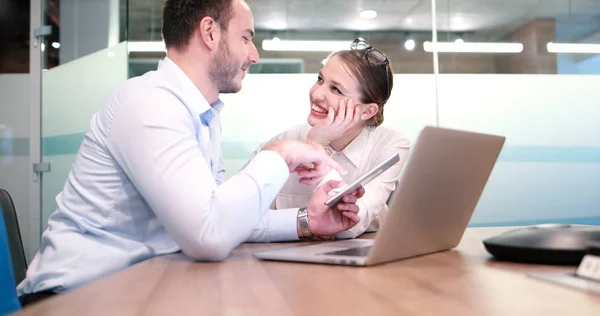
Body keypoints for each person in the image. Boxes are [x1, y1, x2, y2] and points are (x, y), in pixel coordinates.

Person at [17, 0, 365, 306]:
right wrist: (278, 154)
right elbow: (208, 236)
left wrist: (307, 222)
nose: (254, 55)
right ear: (210, 33)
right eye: (246, 37)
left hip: (137, 285)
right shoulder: (150, 104)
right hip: (72, 297)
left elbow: (221, 216)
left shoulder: (202, 114)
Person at [254, 38, 411, 239]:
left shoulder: (390, 145)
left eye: (336, 89)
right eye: (320, 79)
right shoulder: (284, 143)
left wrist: (317, 146)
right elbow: (231, 216)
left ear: (367, 110)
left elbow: (350, 226)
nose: (317, 94)